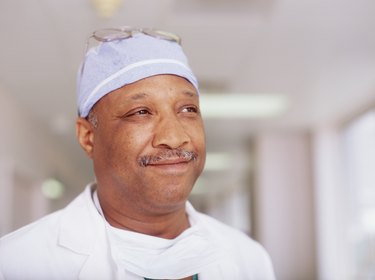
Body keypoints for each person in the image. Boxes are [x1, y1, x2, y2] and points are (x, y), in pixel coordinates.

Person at [0, 26, 275, 280]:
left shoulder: (249, 259)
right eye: (141, 112)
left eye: (188, 110)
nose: (175, 137)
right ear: (88, 137)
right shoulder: (17, 263)